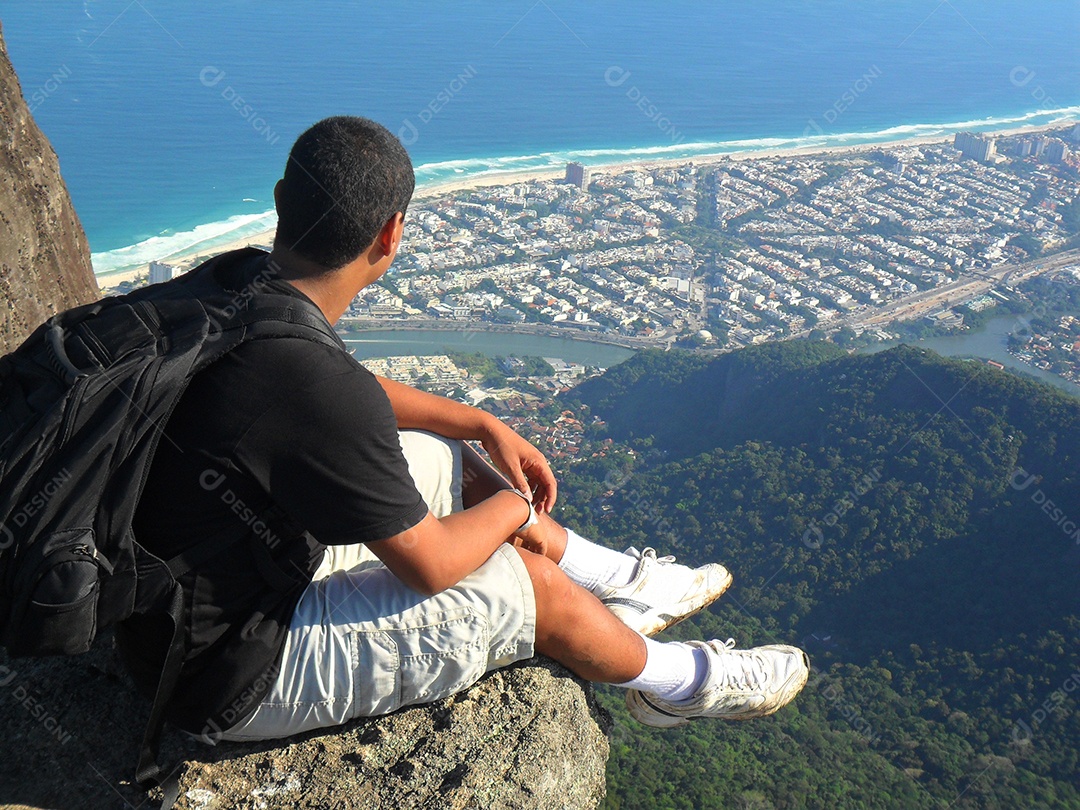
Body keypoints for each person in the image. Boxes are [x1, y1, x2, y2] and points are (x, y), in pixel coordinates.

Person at [116, 116, 809, 745]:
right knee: (524, 585)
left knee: (440, 457)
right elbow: (431, 565)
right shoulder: (314, 382)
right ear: (391, 234)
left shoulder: (227, 286)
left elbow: (336, 394)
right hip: (227, 673)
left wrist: (478, 422)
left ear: (279, 202)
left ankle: (621, 580)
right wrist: (515, 505)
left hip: (183, 592)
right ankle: (679, 686)